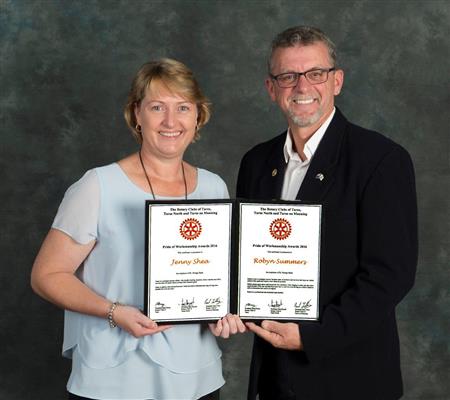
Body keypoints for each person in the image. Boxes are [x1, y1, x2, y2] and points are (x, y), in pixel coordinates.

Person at [31, 58, 245, 400]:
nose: (171, 121)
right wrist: (115, 312)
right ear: (137, 114)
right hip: (114, 376)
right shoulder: (98, 186)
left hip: (196, 376)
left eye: (183, 107)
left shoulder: (213, 186)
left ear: (198, 115)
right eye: (157, 107)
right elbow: (47, 275)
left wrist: (219, 312)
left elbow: (215, 278)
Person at [237, 26, 418, 400]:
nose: (302, 86)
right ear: (271, 88)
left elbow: (390, 276)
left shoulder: (381, 160)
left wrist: (312, 336)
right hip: (274, 378)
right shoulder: (256, 162)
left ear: (337, 81)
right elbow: (244, 262)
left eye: (316, 73)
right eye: (288, 76)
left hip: (351, 378)